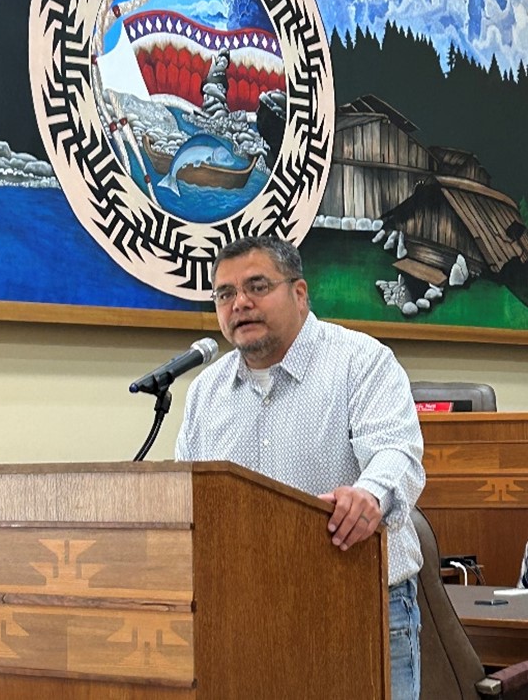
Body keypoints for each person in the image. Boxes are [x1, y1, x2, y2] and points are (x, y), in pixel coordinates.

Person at [175, 235, 425, 700]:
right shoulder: (205, 392)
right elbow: (188, 497)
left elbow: (397, 452)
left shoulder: (360, 361)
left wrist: (369, 495)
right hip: (245, 617)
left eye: (256, 286)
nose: (240, 303)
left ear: (300, 292)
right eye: (225, 294)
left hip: (356, 605)